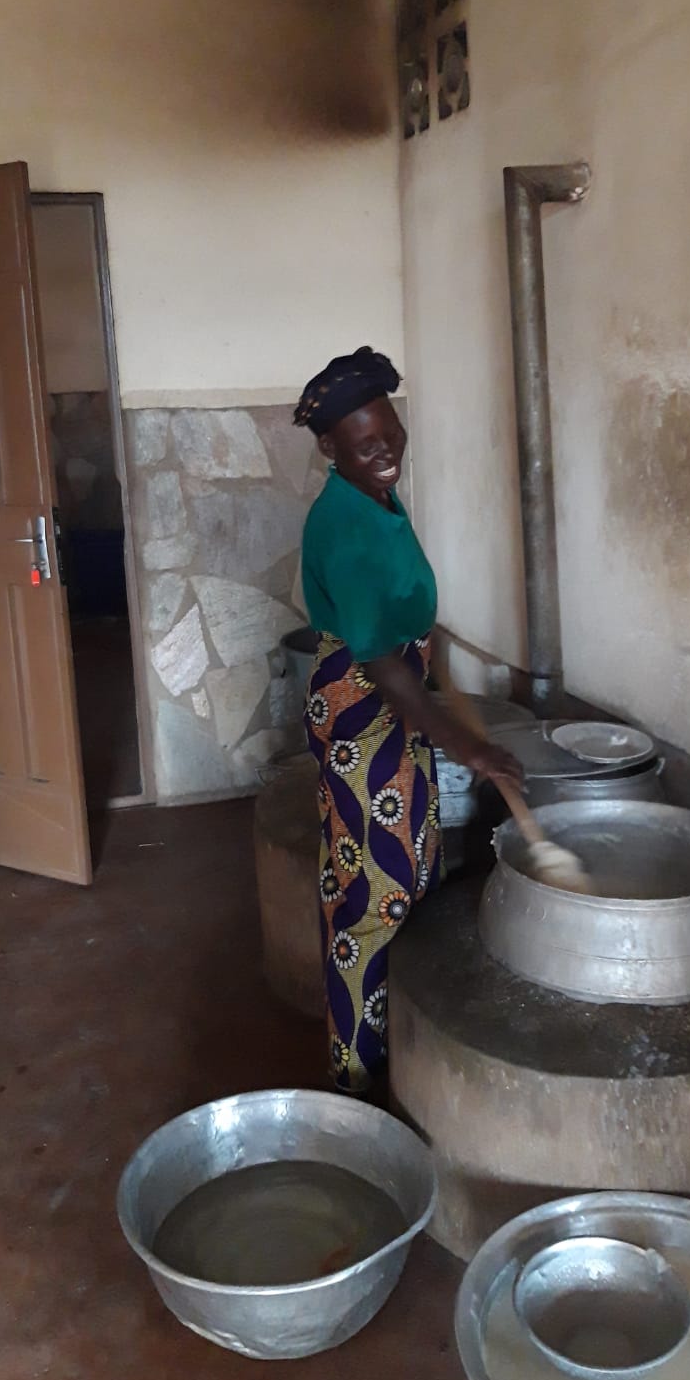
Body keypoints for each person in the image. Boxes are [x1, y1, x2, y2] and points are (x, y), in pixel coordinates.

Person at [294, 347, 521, 1095]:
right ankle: (357, 1077)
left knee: (408, 874)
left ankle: (395, 1049)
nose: (384, 451)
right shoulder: (348, 525)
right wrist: (470, 746)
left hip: (393, 699)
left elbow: (402, 636)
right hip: (367, 708)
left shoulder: (375, 495)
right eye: (365, 443)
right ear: (331, 449)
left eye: (390, 434)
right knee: (373, 896)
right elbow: (386, 670)